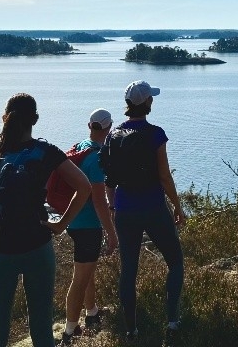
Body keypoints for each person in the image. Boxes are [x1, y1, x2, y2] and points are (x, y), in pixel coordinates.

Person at [0, 93, 92, 347]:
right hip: (38, 247)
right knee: (42, 330)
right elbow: (84, 187)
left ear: (5, 118)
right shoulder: (46, 151)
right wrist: (60, 224)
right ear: (34, 119)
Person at [105, 80, 186, 345]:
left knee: (129, 270)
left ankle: (131, 330)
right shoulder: (155, 134)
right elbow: (164, 175)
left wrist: (114, 206)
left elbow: (109, 179)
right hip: (153, 207)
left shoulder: (113, 135)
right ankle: (172, 321)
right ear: (147, 102)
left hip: (125, 210)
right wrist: (177, 204)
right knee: (174, 261)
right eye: (151, 98)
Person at [57, 109, 119, 345]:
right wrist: (111, 233)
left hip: (73, 220)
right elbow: (98, 200)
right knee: (80, 278)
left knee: (87, 271)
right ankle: (70, 332)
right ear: (108, 128)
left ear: (90, 126)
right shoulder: (97, 157)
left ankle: (92, 313)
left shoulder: (81, 146)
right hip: (87, 225)